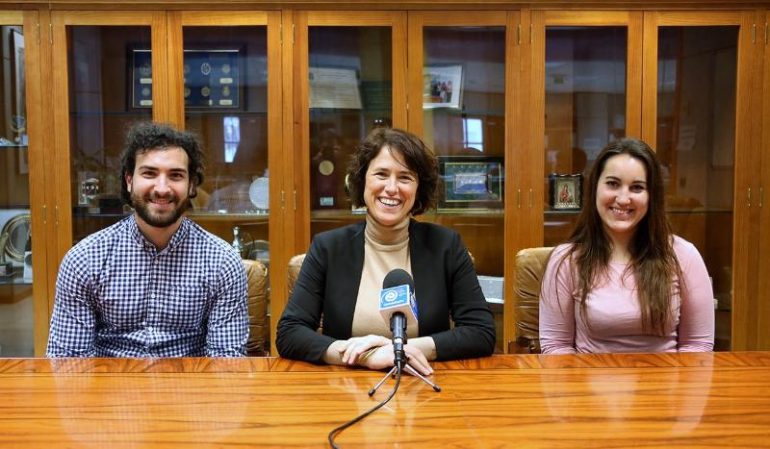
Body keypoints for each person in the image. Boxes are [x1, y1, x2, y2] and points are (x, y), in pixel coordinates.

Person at [276, 127, 496, 375]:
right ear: (362, 181)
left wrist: (403, 350)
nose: (392, 188)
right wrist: (365, 356)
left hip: (424, 384)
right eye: (381, 174)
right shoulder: (328, 247)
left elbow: (481, 331)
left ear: (418, 189)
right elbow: (290, 332)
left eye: (405, 177)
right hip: (343, 389)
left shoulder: (446, 245)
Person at [46, 122, 248, 357]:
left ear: (191, 184)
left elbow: (226, 363)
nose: (162, 188)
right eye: (149, 173)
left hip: (190, 389)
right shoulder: (84, 260)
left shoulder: (222, 262)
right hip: (107, 388)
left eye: (175, 175)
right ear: (129, 180)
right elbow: (68, 362)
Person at [539, 138, 714, 354]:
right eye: (612, 184)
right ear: (595, 188)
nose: (623, 198)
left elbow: (697, 346)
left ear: (651, 196)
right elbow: (556, 347)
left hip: (666, 385)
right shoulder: (566, 260)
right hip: (588, 385)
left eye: (637, 187)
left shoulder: (684, 256)